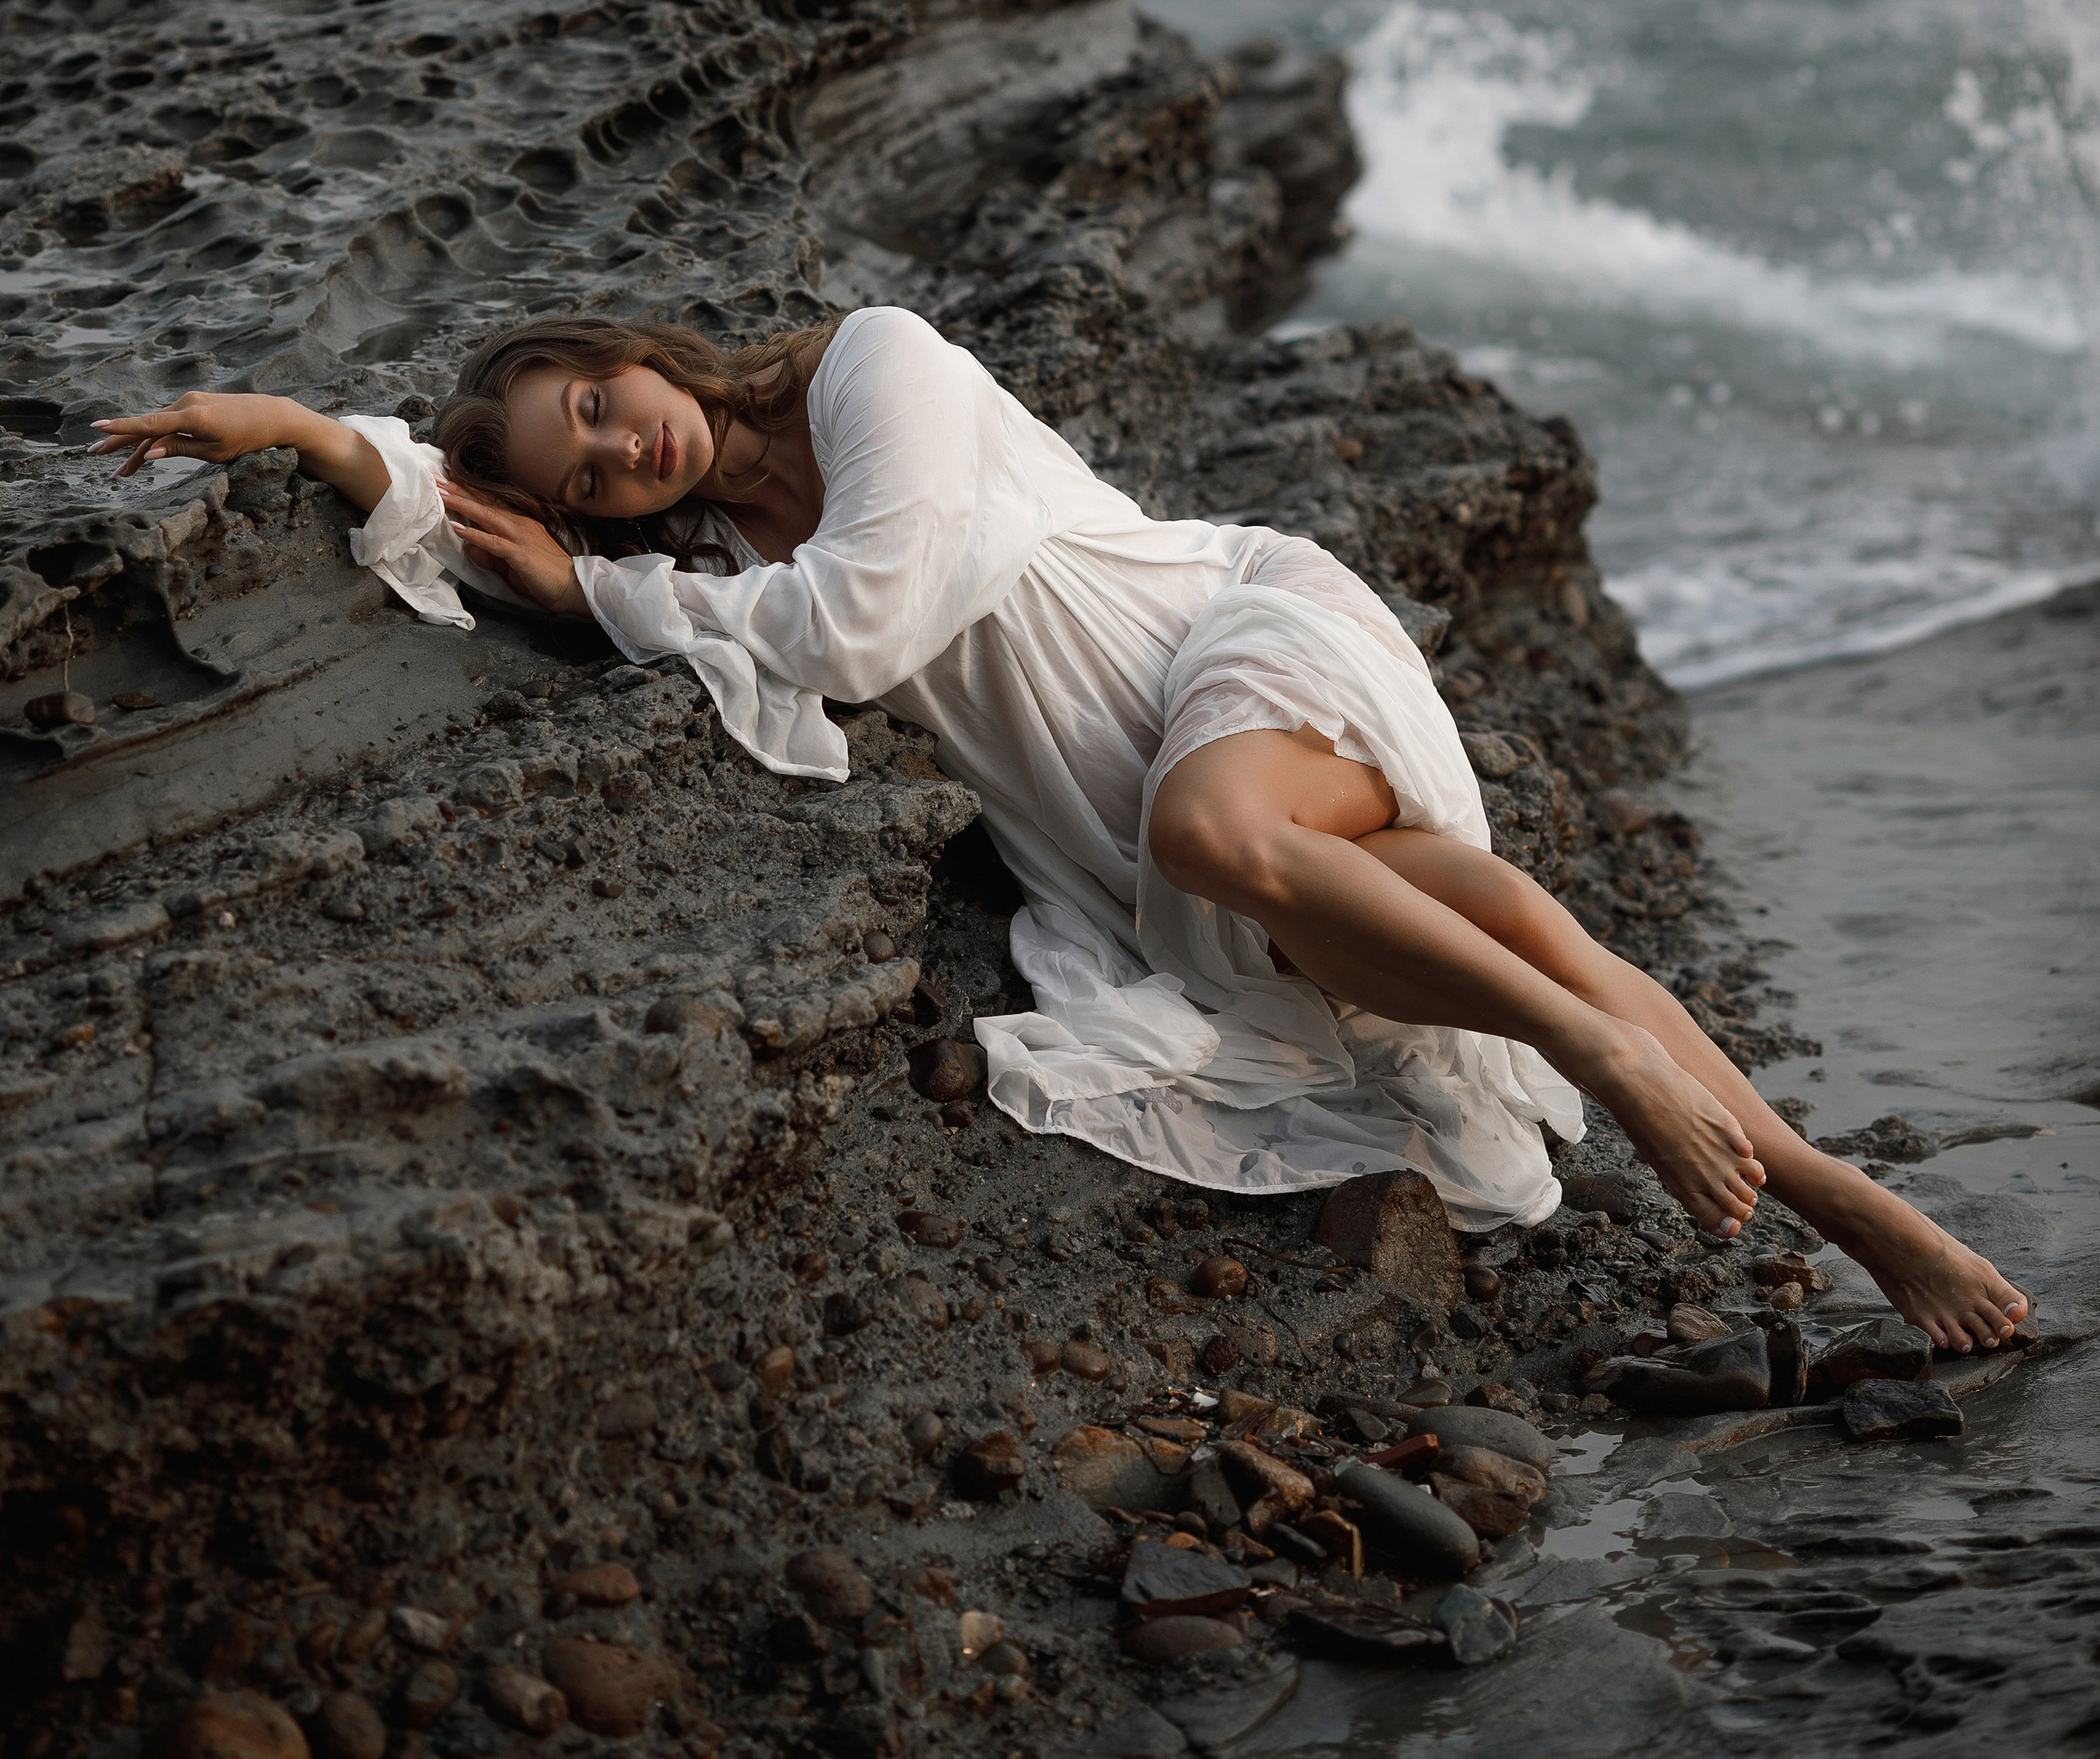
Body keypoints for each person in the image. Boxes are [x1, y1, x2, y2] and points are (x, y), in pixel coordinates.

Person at [95, 302, 2027, 1351]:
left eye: (603, 398)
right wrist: (297, 438)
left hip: (1237, 637)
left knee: (1232, 834)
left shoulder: (877, 361)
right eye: (587, 476)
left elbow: (861, 624)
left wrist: (616, 596)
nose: (617, 449)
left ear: (651, 351)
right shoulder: (693, 561)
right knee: (1467, 910)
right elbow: (450, 515)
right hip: (1138, 832)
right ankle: (1844, 1202)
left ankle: (1609, 1055)